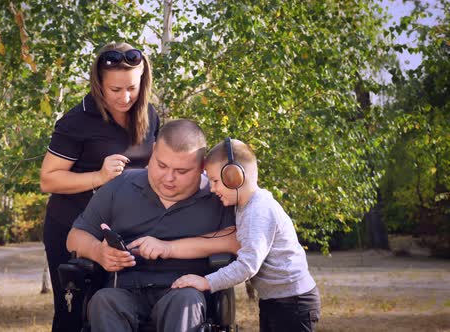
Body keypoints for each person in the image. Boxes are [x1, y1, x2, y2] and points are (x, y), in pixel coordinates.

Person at [66, 120, 237, 332]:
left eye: (181, 171)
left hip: (183, 290)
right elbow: (75, 236)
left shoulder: (218, 196)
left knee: (185, 301)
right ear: (153, 150)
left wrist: (170, 248)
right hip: (123, 290)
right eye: (161, 165)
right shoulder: (120, 186)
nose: (168, 178)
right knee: (103, 300)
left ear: (202, 166)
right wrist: (98, 252)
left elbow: (237, 240)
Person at [40, 42, 160, 332]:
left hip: (124, 231)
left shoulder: (150, 114)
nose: (126, 97)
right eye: (115, 90)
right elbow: (48, 179)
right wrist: (99, 176)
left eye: (132, 87)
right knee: (73, 315)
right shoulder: (77, 120)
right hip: (72, 230)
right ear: (99, 84)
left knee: (115, 310)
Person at [171, 138, 321, 332]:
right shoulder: (245, 206)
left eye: (215, 181)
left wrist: (207, 282)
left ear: (235, 177)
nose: (213, 188)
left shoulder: (257, 211)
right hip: (276, 300)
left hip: (293, 303)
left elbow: (247, 266)